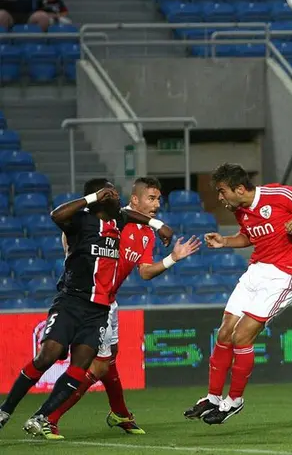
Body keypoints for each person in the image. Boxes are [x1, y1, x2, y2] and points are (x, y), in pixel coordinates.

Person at [0, 179, 173, 438]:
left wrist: (158, 225)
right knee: (47, 357)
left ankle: (43, 417)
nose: (117, 196)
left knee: (82, 367)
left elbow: (129, 213)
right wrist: (93, 198)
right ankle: (5, 411)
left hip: (99, 310)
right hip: (71, 302)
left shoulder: (119, 222)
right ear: (101, 197)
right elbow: (56, 214)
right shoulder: (80, 222)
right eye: (111, 193)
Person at [47, 177, 201, 439]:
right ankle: (48, 417)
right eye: (150, 198)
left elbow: (145, 273)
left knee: (110, 357)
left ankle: (120, 413)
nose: (156, 204)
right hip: (91, 301)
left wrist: (172, 258)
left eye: (158, 200)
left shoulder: (145, 233)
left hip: (110, 301)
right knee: (98, 366)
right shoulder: (115, 221)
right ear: (135, 199)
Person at [184, 164, 292, 424]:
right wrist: (225, 241)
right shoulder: (240, 210)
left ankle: (234, 401)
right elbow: (248, 238)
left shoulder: (280, 195)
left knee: (242, 336)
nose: (220, 198)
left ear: (238, 189)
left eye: (222, 192)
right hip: (255, 272)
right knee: (224, 332)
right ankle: (213, 398)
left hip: (283, 275)